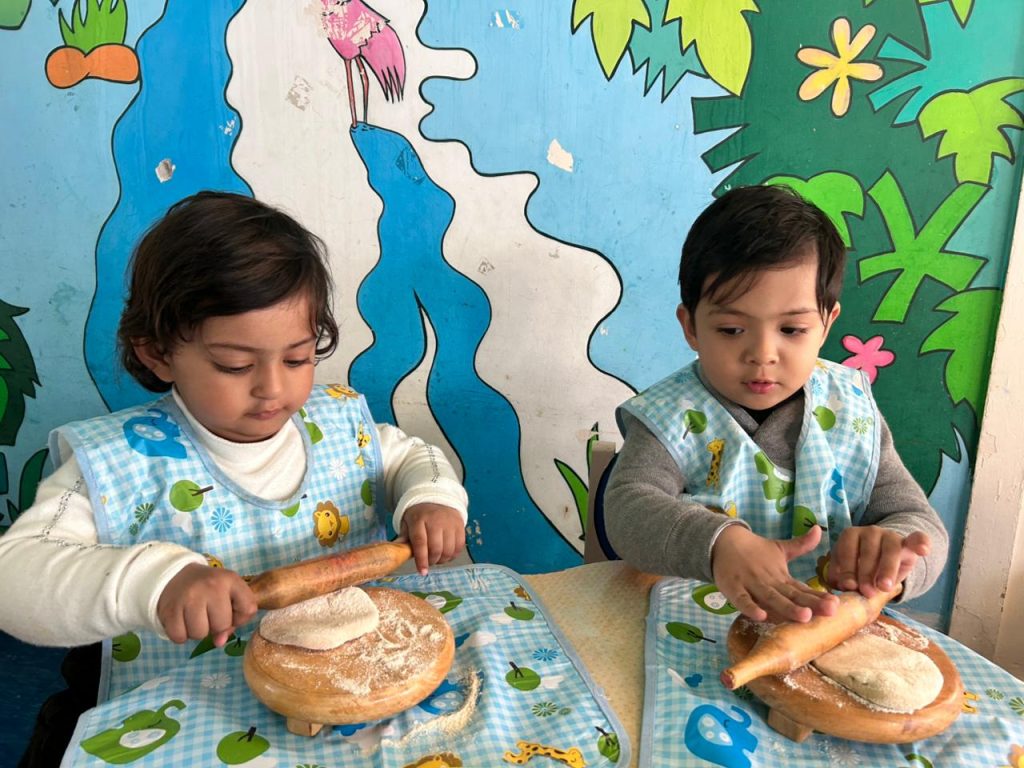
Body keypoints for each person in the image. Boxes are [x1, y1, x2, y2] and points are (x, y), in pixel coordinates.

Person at [0, 191, 468, 767]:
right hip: (184, 722)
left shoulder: (340, 425)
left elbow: (411, 457)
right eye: (235, 365)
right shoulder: (114, 464)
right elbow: (13, 575)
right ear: (158, 353)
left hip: (342, 703)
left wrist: (430, 498)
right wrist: (153, 582)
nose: (273, 388)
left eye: (297, 358)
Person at [603, 184, 947, 625]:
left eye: (791, 330)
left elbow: (918, 522)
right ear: (691, 327)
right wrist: (717, 543)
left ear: (826, 324)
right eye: (731, 330)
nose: (763, 354)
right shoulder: (670, 418)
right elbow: (628, 509)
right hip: (690, 633)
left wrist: (891, 557)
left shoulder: (852, 411)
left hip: (825, 633)